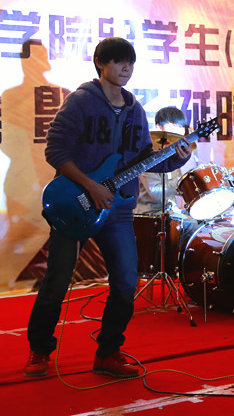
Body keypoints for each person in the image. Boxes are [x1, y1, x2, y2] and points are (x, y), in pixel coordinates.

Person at [24, 37, 193, 378]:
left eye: (130, 62)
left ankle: (108, 352)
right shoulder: (80, 102)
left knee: (126, 282)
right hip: (75, 203)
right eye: (118, 61)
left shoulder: (135, 110)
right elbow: (55, 151)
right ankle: (39, 351)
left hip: (118, 209)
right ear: (100, 63)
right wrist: (91, 186)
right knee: (57, 281)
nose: (126, 68)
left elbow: (143, 160)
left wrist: (176, 158)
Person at [136, 106, 190, 215]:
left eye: (181, 127)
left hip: (170, 211)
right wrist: (183, 186)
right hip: (149, 214)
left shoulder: (176, 152)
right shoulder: (148, 153)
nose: (178, 131)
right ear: (159, 127)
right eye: (173, 126)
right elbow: (155, 193)